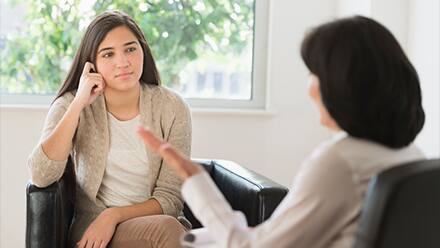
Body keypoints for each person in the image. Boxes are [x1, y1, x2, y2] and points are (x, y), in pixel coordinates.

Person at [137, 16, 426, 248]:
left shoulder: (340, 161)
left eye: (315, 74)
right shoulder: (410, 154)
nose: (310, 88)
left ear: (343, 85)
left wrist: (195, 178)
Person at [28, 11, 191, 248]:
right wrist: (78, 105)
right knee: (167, 230)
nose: (122, 62)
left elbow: (170, 197)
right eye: (108, 54)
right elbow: (41, 175)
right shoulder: (71, 105)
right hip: (96, 233)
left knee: (167, 228)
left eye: (130, 49)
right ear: (91, 63)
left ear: (142, 50)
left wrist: (113, 216)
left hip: (156, 225)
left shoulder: (172, 107)